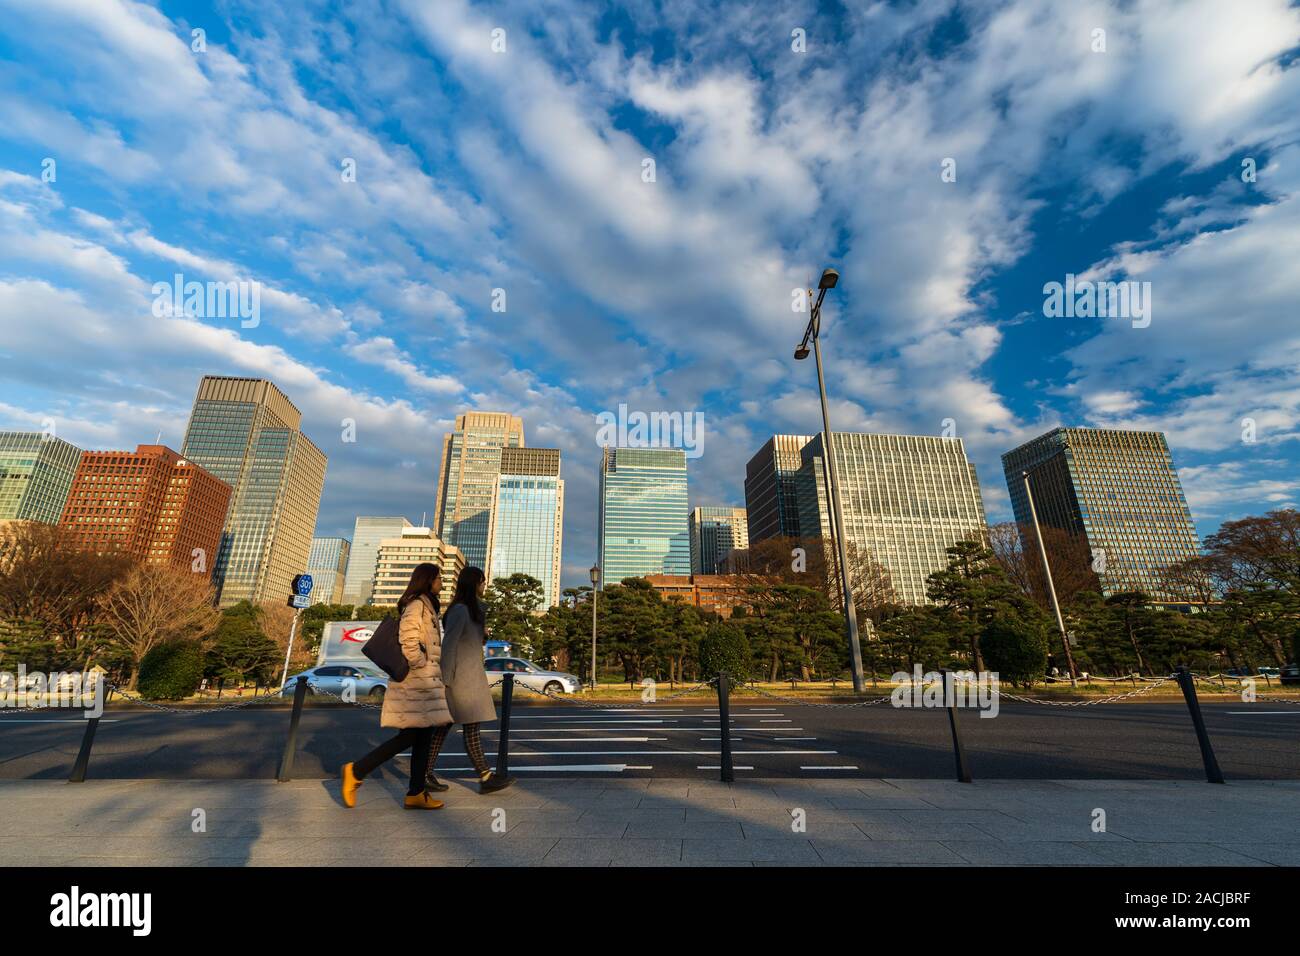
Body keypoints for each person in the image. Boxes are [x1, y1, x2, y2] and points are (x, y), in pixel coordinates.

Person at [340, 563, 453, 809]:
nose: (442, 582)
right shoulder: (417, 605)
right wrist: (421, 664)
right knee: (411, 735)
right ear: (429, 580)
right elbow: (409, 639)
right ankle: (356, 770)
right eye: (439, 578)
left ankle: (416, 792)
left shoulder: (426, 605)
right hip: (416, 681)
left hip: (424, 680)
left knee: (422, 735)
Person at [426, 566, 513, 794]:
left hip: (468, 678)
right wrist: (445, 681)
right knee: (469, 729)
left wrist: (481, 635)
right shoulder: (461, 610)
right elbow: (449, 646)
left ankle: (425, 774)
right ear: (474, 583)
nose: (484, 586)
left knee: (443, 729)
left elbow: (467, 643)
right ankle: (485, 777)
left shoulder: (472, 611)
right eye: (482, 582)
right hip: (459, 681)